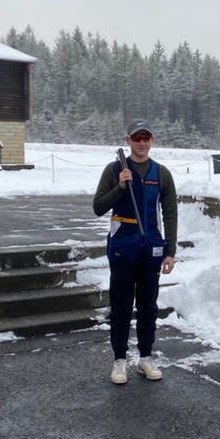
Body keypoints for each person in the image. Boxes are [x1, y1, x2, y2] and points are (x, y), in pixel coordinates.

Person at [92, 118, 177, 385]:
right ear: (128, 140)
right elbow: (98, 207)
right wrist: (119, 187)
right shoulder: (114, 168)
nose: (142, 142)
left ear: (152, 140)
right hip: (122, 247)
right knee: (121, 306)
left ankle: (145, 358)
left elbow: (171, 213)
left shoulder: (161, 173)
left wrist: (170, 250)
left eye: (146, 138)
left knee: (148, 306)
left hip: (151, 246)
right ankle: (119, 360)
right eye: (136, 138)